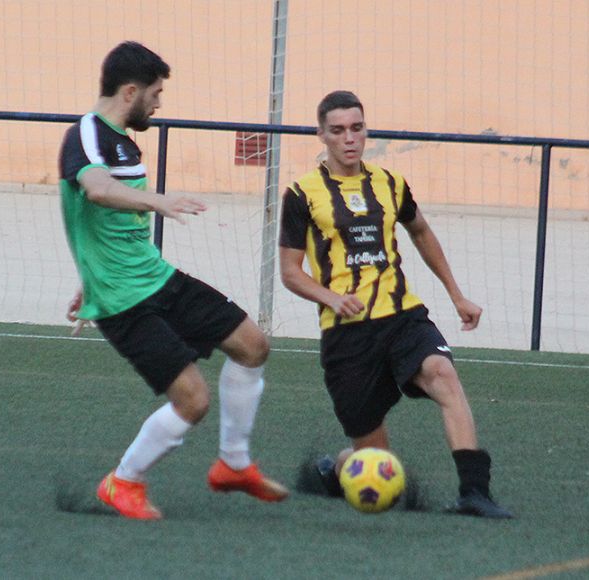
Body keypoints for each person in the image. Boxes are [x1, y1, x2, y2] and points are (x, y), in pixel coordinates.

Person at [59, 41, 288, 520]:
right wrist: (158, 202)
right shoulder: (86, 135)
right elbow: (97, 192)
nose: (159, 104)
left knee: (253, 345)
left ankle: (234, 464)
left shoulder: (121, 139)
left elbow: (96, 225)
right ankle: (123, 482)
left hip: (154, 278)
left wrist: (89, 272)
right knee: (193, 399)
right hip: (124, 301)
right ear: (130, 91)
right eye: (156, 94)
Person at [278, 90, 512, 518]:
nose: (349, 138)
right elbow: (291, 272)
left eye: (357, 128)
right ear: (321, 135)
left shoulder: (390, 183)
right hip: (347, 337)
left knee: (443, 372)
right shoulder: (301, 194)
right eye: (338, 131)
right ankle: (337, 469)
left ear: (366, 130)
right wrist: (333, 297)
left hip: (402, 316)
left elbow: (420, 231)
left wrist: (456, 294)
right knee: (378, 466)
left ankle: (475, 493)